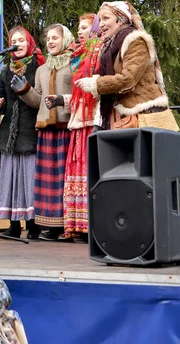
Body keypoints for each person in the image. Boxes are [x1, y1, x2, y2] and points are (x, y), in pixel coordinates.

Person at [76, 1, 178, 132]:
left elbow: (129, 78)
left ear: (121, 19)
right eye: (100, 19)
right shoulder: (110, 46)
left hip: (145, 114)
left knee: (147, 152)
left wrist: (96, 83)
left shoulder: (135, 41)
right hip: (123, 116)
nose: (101, 24)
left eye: (106, 18)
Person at [14, 24, 75, 241]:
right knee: (49, 180)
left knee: (64, 180)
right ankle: (52, 226)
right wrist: (24, 90)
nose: (50, 42)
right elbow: (38, 102)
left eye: (55, 38)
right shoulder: (42, 69)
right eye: (48, 38)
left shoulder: (74, 63)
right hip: (46, 130)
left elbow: (79, 95)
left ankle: (69, 226)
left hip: (66, 127)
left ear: (65, 39)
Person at [0, 27, 44, 240]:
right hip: (9, 132)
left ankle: (33, 225)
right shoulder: (5, 70)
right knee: (11, 179)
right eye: (14, 41)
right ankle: (13, 225)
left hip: (30, 130)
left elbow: (40, 98)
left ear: (29, 42)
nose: (18, 44)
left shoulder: (38, 66)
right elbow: (0, 100)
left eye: (21, 40)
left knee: (29, 179)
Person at [56, 14, 102, 241]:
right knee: (76, 171)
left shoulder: (99, 51)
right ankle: (78, 225)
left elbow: (99, 85)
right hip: (78, 119)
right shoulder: (79, 55)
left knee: (90, 170)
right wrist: (61, 100)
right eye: (79, 28)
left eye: (85, 27)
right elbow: (77, 93)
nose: (80, 31)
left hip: (94, 117)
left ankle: (94, 225)